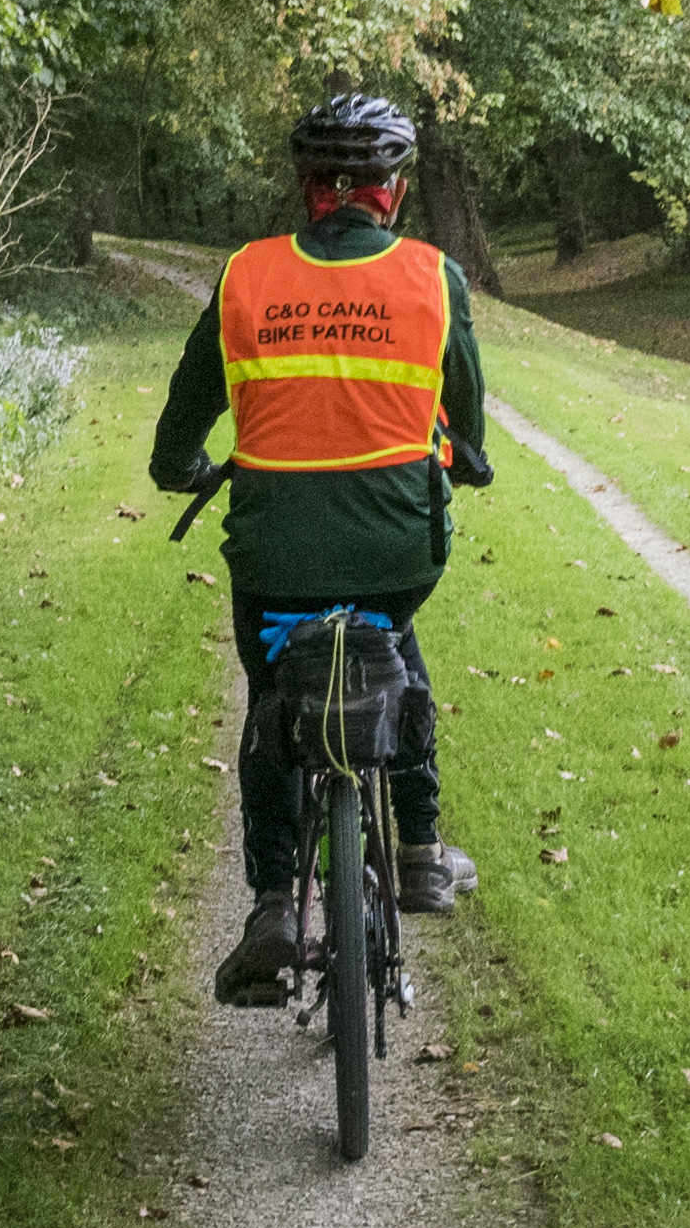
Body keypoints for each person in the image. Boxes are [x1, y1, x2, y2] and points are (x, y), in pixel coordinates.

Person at [152, 91, 496, 1005]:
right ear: (394, 191)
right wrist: (469, 457)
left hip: (274, 557)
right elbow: (464, 400)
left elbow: (190, 406)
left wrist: (178, 466)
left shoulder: (245, 277)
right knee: (395, 642)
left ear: (308, 188)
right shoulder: (433, 276)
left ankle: (273, 903)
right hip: (399, 547)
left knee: (274, 695)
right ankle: (418, 851)